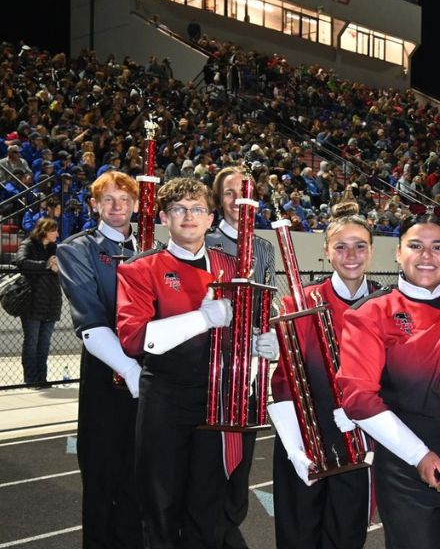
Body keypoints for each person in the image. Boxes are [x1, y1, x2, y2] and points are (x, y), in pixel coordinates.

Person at [117, 177, 271, 548]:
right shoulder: (141, 267)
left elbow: (238, 328)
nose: (189, 216)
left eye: (197, 209)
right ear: (165, 218)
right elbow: (135, 339)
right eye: (179, 209)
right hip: (166, 399)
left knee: (211, 505)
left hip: (220, 397)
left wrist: (258, 343)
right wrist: (202, 319)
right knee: (161, 504)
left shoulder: (231, 266)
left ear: (210, 217)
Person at [336, 212, 440, 549]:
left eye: (438, 247)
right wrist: (418, 455)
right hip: (408, 467)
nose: (427, 256)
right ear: (398, 252)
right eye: (415, 246)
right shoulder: (372, 312)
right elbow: (358, 399)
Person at [269, 200, 381, 549]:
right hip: (305, 438)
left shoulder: (387, 304)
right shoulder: (299, 303)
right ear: (327, 252)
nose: (351, 254)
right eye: (341, 246)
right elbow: (285, 378)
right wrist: (293, 446)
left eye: (360, 246)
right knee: (298, 535)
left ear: (372, 251)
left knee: (346, 537)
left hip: (359, 445)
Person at [56, 171, 143, 548]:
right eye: (107, 199)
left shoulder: (153, 248)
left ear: (138, 205)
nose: (116, 206)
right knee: (102, 478)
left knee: (140, 480)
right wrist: (128, 368)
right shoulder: (76, 249)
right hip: (108, 377)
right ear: (94, 205)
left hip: (151, 377)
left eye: (124, 199)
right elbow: (90, 322)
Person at [206, 166, 276, 549]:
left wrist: (267, 335)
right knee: (210, 459)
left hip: (247, 370)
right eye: (229, 193)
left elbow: (270, 301)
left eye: (243, 192)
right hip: (211, 366)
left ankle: (230, 527)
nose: (237, 201)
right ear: (219, 199)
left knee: (241, 459)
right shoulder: (207, 240)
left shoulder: (264, 248)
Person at [16, 217, 61, 386]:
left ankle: (42, 378)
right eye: (54, 230)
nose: (57, 234)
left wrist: (58, 268)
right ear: (44, 231)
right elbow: (20, 262)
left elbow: (59, 267)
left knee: (44, 344)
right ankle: (30, 379)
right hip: (32, 301)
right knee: (31, 342)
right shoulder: (28, 244)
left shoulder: (53, 247)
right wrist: (45, 265)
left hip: (51, 301)